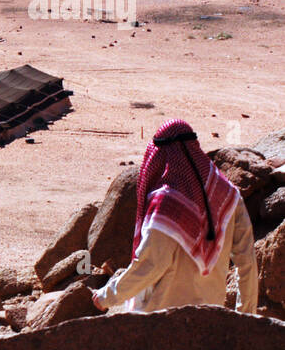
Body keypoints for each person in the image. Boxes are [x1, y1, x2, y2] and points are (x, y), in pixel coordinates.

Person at [93, 119, 257, 314]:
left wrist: (105, 297)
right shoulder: (229, 195)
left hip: (161, 323)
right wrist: (247, 315)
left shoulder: (167, 204)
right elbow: (247, 263)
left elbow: (150, 265)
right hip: (211, 322)